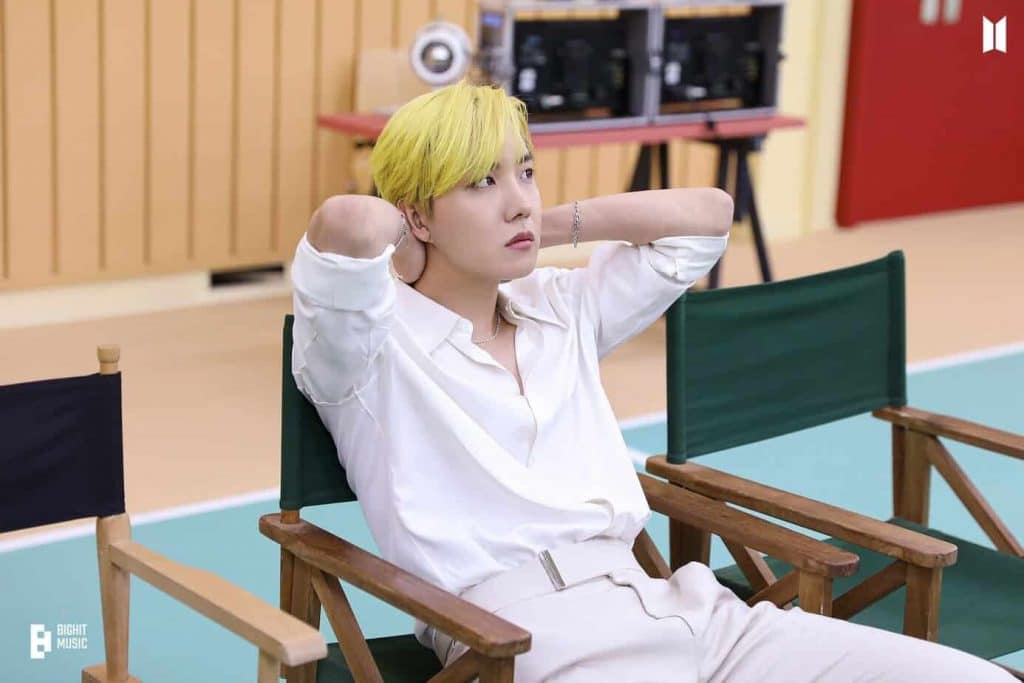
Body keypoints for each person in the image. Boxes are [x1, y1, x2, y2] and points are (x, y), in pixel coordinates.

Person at [289, 80, 1013, 682]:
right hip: (523, 640)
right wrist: (409, 235)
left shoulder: (561, 306)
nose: (519, 201)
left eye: (526, 172)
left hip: (682, 609)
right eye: (482, 182)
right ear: (416, 214)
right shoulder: (365, 351)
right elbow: (348, 223)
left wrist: (548, 226)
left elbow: (708, 217)